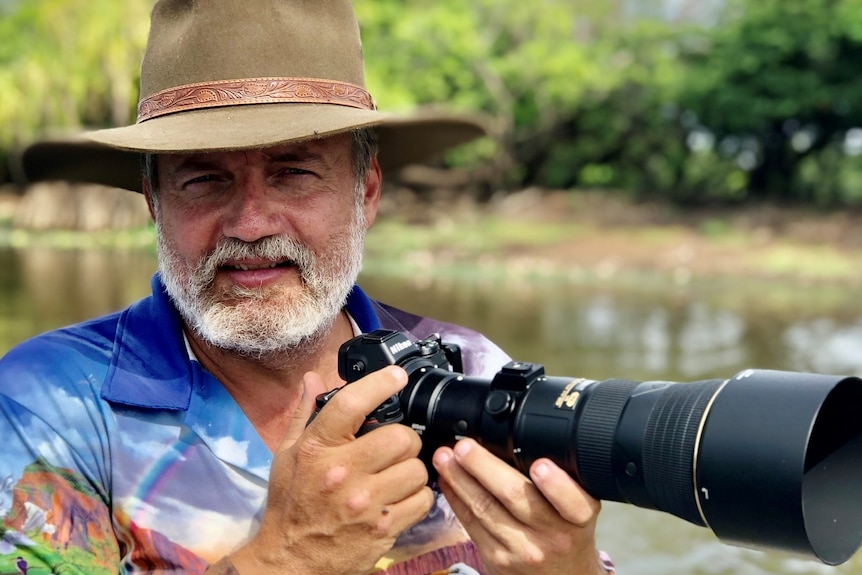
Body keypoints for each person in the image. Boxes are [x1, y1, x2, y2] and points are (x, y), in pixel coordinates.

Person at [0, 1, 614, 574]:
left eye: (294, 172)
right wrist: (285, 558)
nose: (250, 224)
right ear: (154, 203)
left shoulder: (473, 369)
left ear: (365, 192)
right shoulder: (50, 404)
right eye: (203, 179)